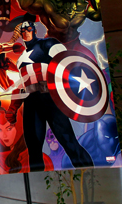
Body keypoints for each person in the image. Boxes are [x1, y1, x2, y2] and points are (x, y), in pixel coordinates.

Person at [15, 21, 93, 172]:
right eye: (22, 31)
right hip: (31, 102)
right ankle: (37, 180)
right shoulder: (20, 60)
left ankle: (89, 171)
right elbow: (22, 84)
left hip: (49, 97)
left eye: (28, 29)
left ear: (34, 30)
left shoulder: (47, 44)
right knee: (34, 147)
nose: (25, 32)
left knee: (68, 140)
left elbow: (65, 60)